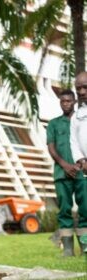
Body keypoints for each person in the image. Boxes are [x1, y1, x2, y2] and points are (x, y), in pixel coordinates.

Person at [46, 89, 86, 257]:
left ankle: (85, 247)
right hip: (62, 174)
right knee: (64, 210)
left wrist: (79, 164)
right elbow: (51, 147)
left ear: (74, 102)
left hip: (82, 173)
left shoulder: (81, 120)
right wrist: (65, 166)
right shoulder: (53, 124)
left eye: (69, 101)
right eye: (63, 101)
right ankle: (68, 249)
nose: (66, 104)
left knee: (85, 209)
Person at [70, 71, 87, 254]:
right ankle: (86, 247)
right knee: (85, 210)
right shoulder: (77, 117)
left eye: (85, 87)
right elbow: (74, 142)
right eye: (78, 89)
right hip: (86, 169)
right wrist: (81, 160)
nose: (81, 92)